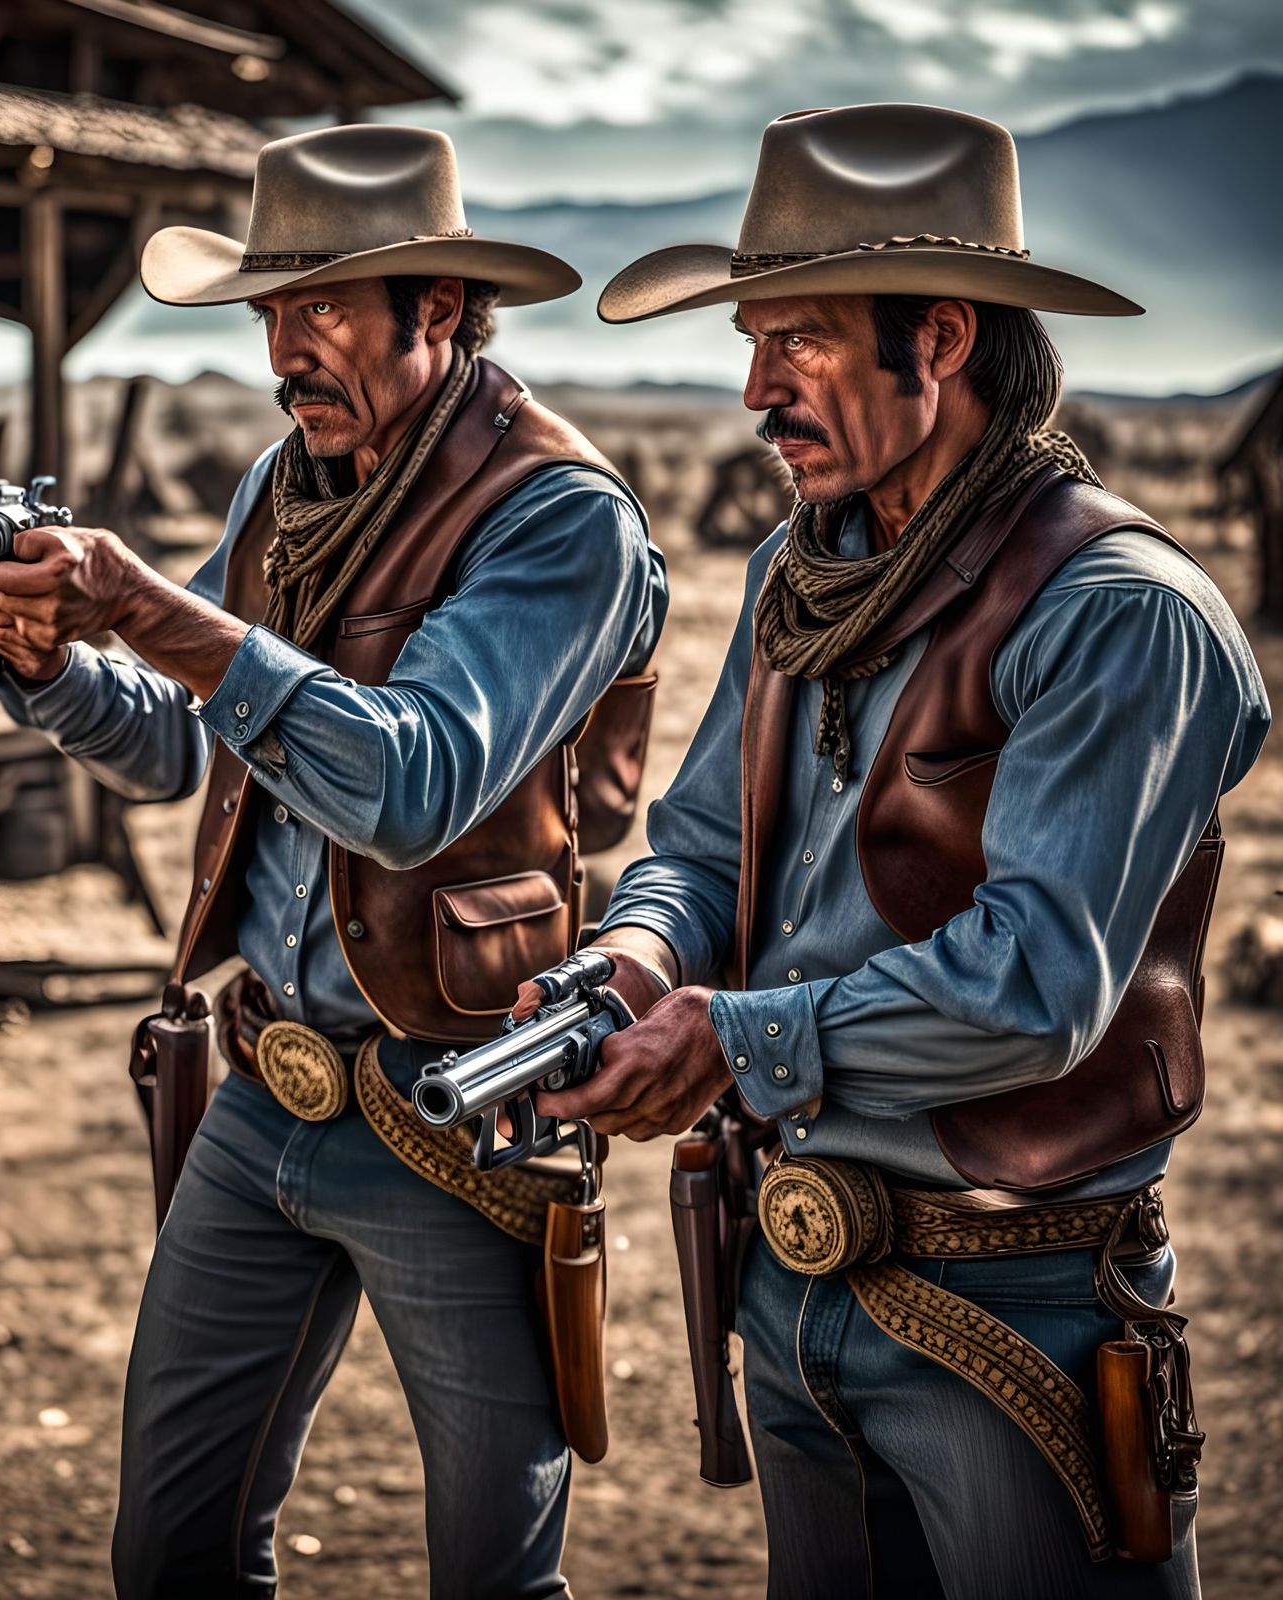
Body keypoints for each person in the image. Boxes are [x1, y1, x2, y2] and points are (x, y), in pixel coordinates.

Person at [520, 103, 1270, 1597]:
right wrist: (631, 958)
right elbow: (700, 851)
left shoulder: (1120, 613)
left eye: (792, 341)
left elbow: (1035, 983)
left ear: (937, 339)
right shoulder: (807, 579)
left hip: (1021, 1307)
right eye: (750, 343)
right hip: (793, 1284)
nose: (752, 388)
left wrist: (732, 1041)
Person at [0, 125, 666, 1598]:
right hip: (264, 1090)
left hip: (458, 1111)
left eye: (324, 306)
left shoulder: (560, 520)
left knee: (491, 1574)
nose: (288, 347)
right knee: (174, 1547)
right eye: (272, 311)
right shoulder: (285, 486)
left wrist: (146, 609)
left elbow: (405, 785)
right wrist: (48, 664)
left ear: (441, 310)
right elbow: (177, 749)